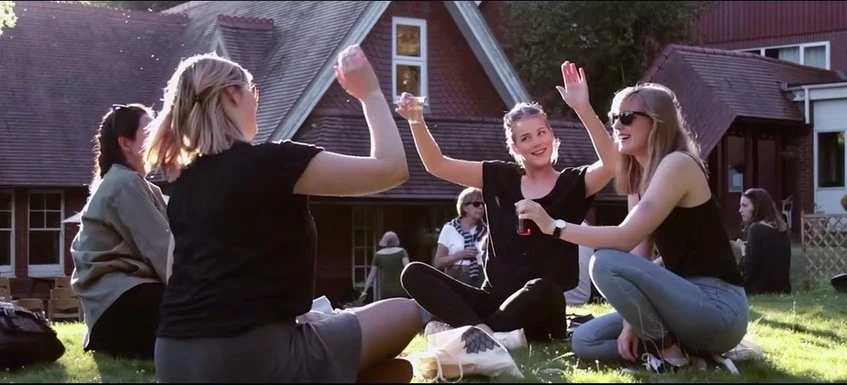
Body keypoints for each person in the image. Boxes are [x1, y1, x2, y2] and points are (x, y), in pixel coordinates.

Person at [147, 45, 422, 383]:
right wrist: (370, 93)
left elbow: (175, 275)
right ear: (233, 95)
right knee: (406, 312)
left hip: (172, 359)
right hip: (248, 357)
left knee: (395, 372)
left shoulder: (184, 187)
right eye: (253, 91)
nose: (256, 100)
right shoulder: (273, 162)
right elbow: (392, 169)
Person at [515, 82, 748, 373]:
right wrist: (632, 322)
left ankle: (668, 355)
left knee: (603, 261)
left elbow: (623, 239)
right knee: (585, 341)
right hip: (681, 303)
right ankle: (695, 357)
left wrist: (554, 226)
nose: (617, 125)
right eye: (613, 118)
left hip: (718, 307)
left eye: (626, 117)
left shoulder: (679, 164)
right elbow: (637, 255)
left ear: (657, 122)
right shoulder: (638, 177)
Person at [399, 61, 618, 344]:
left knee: (541, 288)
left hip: (541, 305)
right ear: (515, 147)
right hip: (494, 299)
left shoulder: (573, 183)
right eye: (526, 138)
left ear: (552, 136)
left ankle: (475, 334)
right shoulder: (498, 176)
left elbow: (612, 164)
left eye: (542, 133)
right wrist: (416, 121)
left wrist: (583, 109)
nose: (537, 142)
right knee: (413, 273)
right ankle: (487, 335)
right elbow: (437, 164)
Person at [70, 103, 171, 360]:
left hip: (114, 309)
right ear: (126, 143)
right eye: (150, 131)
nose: (159, 135)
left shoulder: (139, 185)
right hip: (122, 306)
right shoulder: (125, 184)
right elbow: (165, 253)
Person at [735, 188, 792, 295]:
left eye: (744, 206)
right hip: (783, 289)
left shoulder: (755, 229)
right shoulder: (781, 228)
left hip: (760, 290)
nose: (740, 210)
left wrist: (743, 249)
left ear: (757, 207)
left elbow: (748, 268)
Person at [432, 187, 488, 288]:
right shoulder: (449, 229)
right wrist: (460, 255)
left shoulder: (487, 230)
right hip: (457, 275)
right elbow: (438, 262)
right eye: (476, 204)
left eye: (483, 204)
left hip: (481, 276)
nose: (481, 207)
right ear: (464, 207)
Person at [359, 231, 411, 302]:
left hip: (385, 290)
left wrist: (365, 291)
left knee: (387, 310)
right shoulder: (402, 252)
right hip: (400, 288)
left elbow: (372, 275)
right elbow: (408, 269)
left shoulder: (378, 255)